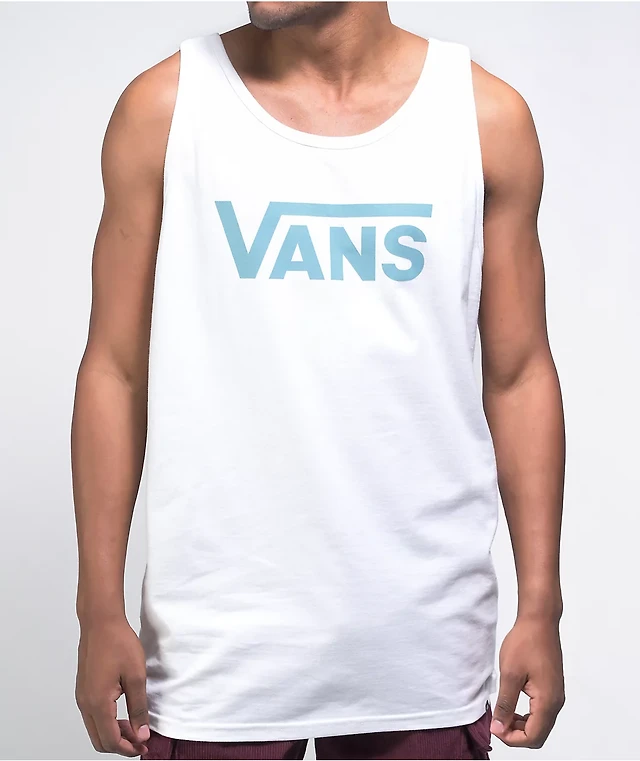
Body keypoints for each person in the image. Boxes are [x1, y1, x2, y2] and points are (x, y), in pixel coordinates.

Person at [71, 2, 566, 759]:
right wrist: (97, 609)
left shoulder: (484, 119)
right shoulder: (166, 108)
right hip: (219, 651)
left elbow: (519, 372)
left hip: (421, 646)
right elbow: (114, 367)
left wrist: (541, 606)